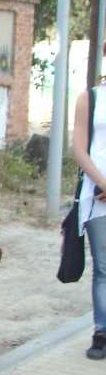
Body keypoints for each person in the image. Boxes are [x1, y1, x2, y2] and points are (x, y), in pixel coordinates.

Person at [72, 81, 106, 359]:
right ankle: (101, 332)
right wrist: (102, 182)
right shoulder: (90, 99)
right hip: (98, 198)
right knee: (104, 269)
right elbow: (80, 150)